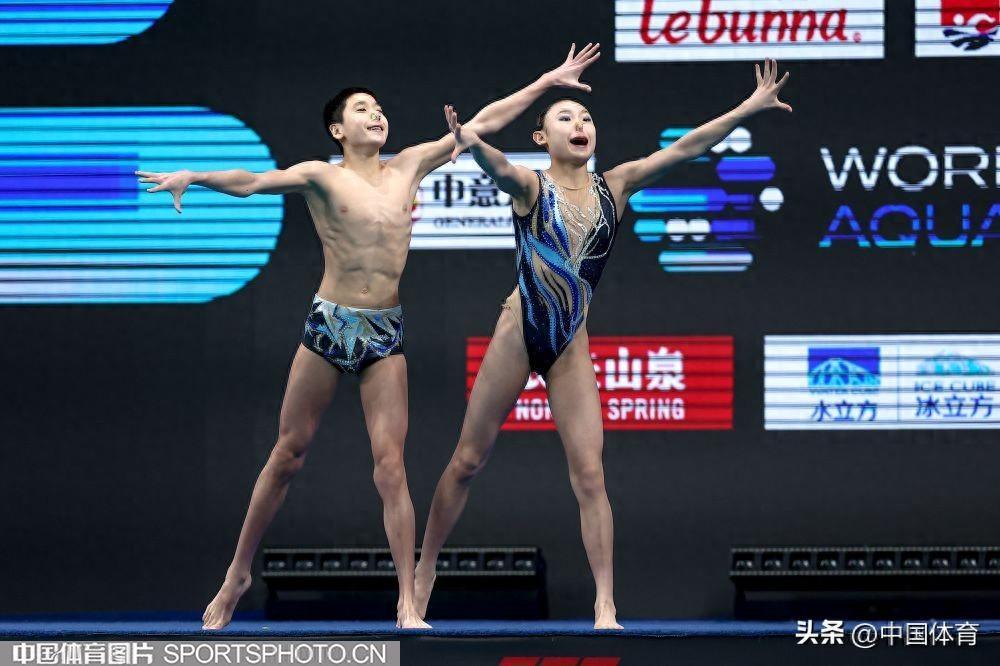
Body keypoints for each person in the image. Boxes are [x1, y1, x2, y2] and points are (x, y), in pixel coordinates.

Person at [135, 42, 602, 630]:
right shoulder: (320, 176)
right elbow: (251, 181)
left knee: (390, 467)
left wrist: (547, 81)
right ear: (338, 129)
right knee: (288, 453)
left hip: (385, 330)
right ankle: (237, 574)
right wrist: (196, 176)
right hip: (329, 324)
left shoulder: (409, 166)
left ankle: (407, 600)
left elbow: (483, 123)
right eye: (362, 109)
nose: (376, 114)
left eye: (379, 108)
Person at [414, 59, 792, 629]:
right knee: (467, 461)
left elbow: (687, 148)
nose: (580, 124)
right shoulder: (531, 186)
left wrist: (748, 108)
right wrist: (469, 141)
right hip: (519, 333)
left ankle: (605, 604)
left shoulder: (616, 185)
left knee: (590, 475)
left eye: (586, 117)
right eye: (566, 117)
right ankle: (423, 573)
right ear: (542, 138)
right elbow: (499, 168)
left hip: (569, 343)